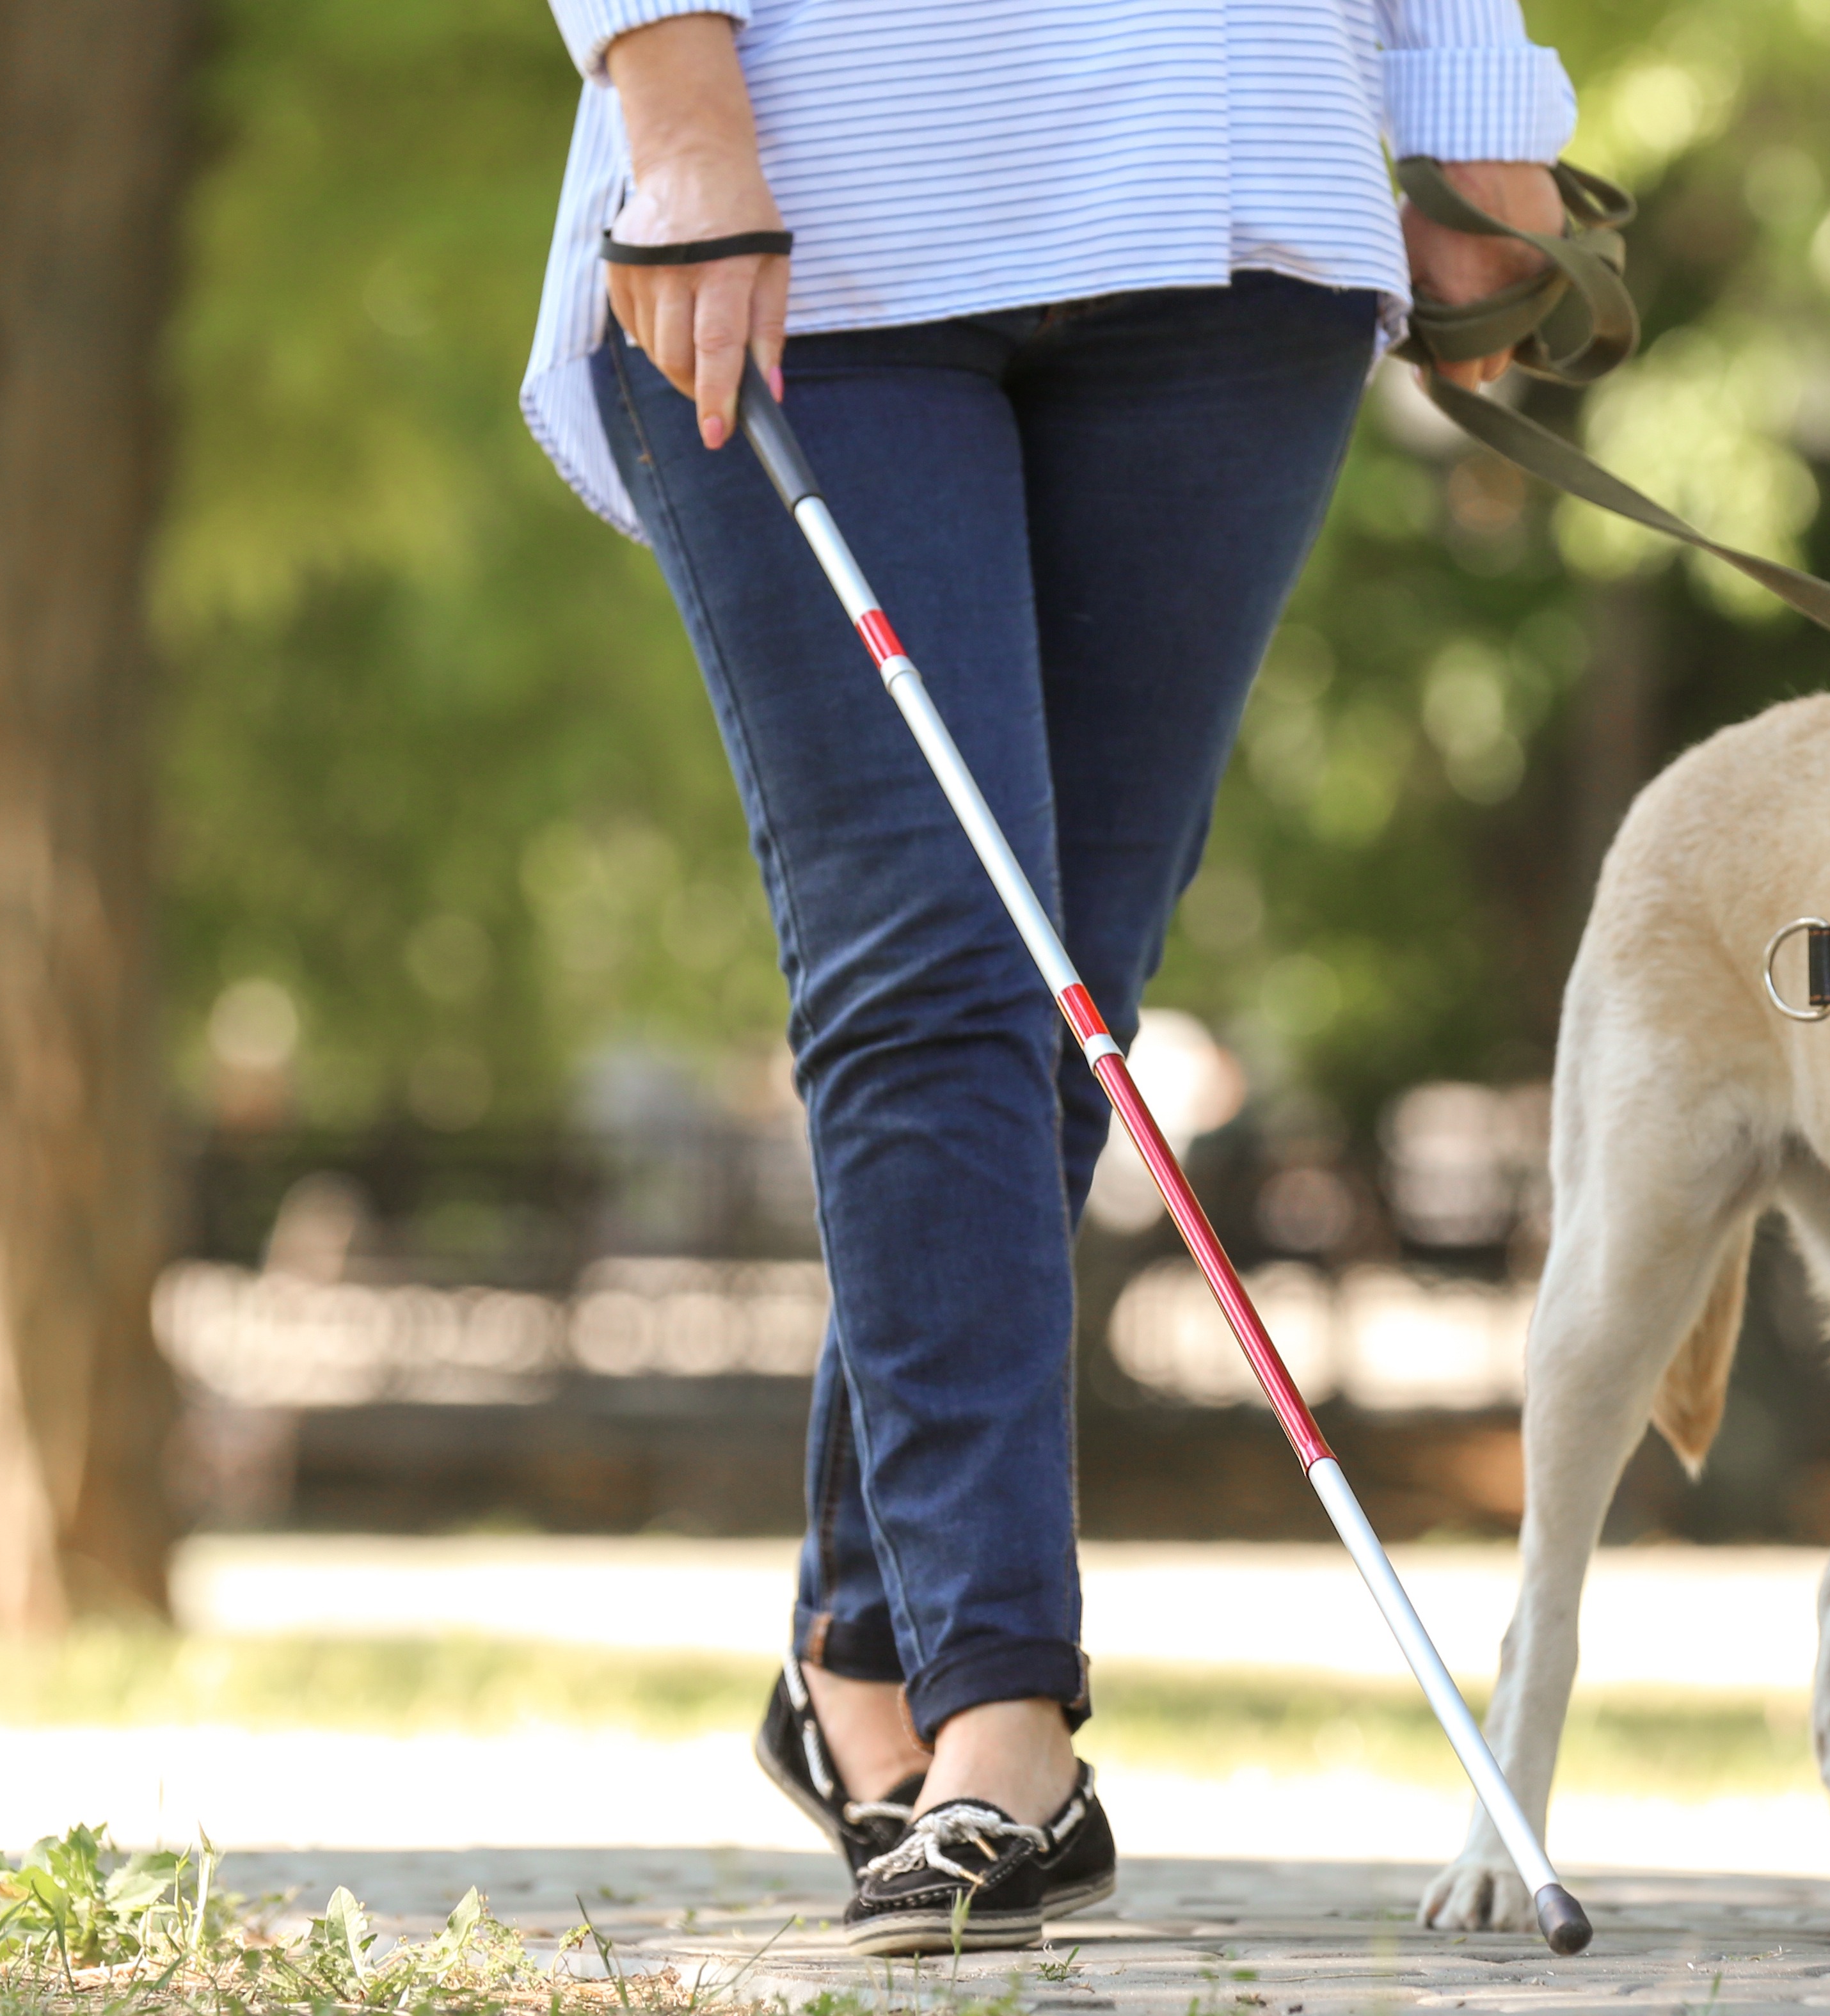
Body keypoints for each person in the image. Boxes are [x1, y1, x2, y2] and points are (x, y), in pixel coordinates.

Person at [520, 0, 1582, 1958]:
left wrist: (1481, 133)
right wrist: (674, 113)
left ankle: (863, 1646)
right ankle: (999, 1732)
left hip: (1236, 200)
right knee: (934, 970)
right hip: (816, 187)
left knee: (1057, 1004)